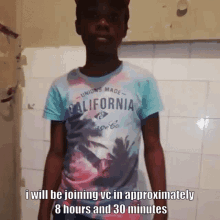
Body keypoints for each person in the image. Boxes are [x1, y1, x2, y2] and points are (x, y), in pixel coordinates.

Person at [38, 0, 168, 220]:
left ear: (125, 27)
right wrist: (43, 212)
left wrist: (161, 210)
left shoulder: (142, 82)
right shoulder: (61, 87)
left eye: (113, 18)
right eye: (93, 16)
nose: (103, 24)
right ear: (78, 25)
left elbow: (153, 147)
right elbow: (56, 153)